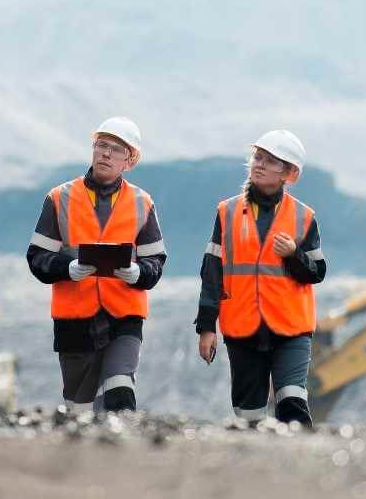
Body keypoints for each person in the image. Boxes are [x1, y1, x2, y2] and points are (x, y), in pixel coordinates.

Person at [26, 117, 166, 412]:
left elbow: (155, 261)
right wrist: (67, 268)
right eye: (102, 145)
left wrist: (139, 273)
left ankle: (125, 455)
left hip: (123, 318)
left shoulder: (143, 203)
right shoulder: (59, 198)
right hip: (74, 321)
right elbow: (37, 258)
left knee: (119, 392)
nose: (106, 153)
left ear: (129, 161)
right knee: (80, 410)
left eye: (116, 149)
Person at [194, 130, 326, 427]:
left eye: (270, 161)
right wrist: (206, 327)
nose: (259, 164)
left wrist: (294, 254)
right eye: (258, 157)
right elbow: (212, 272)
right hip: (243, 329)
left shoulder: (304, 217)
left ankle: (300, 469)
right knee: (249, 417)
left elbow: (317, 272)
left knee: (292, 403)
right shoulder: (226, 212)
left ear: (289, 174)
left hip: (291, 328)